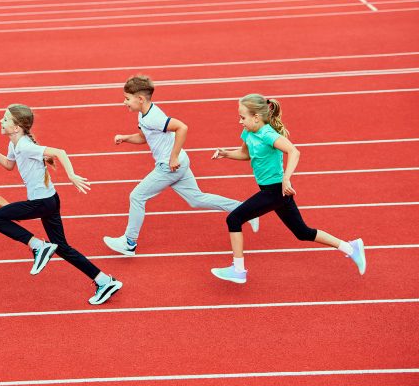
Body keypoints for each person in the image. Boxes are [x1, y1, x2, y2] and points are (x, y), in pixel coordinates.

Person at [210, 93, 366, 284]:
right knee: (302, 232)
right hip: (275, 192)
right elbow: (245, 154)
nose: (239, 121)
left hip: (275, 190)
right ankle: (351, 248)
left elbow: (294, 151)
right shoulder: (249, 133)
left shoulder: (268, 134)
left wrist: (286, 179)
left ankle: (239, 270)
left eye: (243, 117)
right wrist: (225, 154)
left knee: (234, 218)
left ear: (256, 117)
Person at [103, 75, 259, 256]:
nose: (124, 102)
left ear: (140, 99)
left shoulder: (154, 117)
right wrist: (125, 138)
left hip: (169, 167)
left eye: (127, 99)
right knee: (196, 199)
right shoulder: (143, 115)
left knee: (137, 196)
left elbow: (182, 127)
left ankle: (129, 242)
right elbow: (144, 138)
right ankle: (247, 210)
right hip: (180, 163)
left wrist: (173, 157)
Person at [0, 104, 122, 305]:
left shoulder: (24, 145)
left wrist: (71, 175)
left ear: (17, 127)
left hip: (42, 202)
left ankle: (38, 246)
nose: (0, 121)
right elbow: (9, 165)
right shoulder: (14, 144)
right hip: (50, 200)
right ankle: (104, 281)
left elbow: (60, 152)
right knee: (63, 248)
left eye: (5, 119)